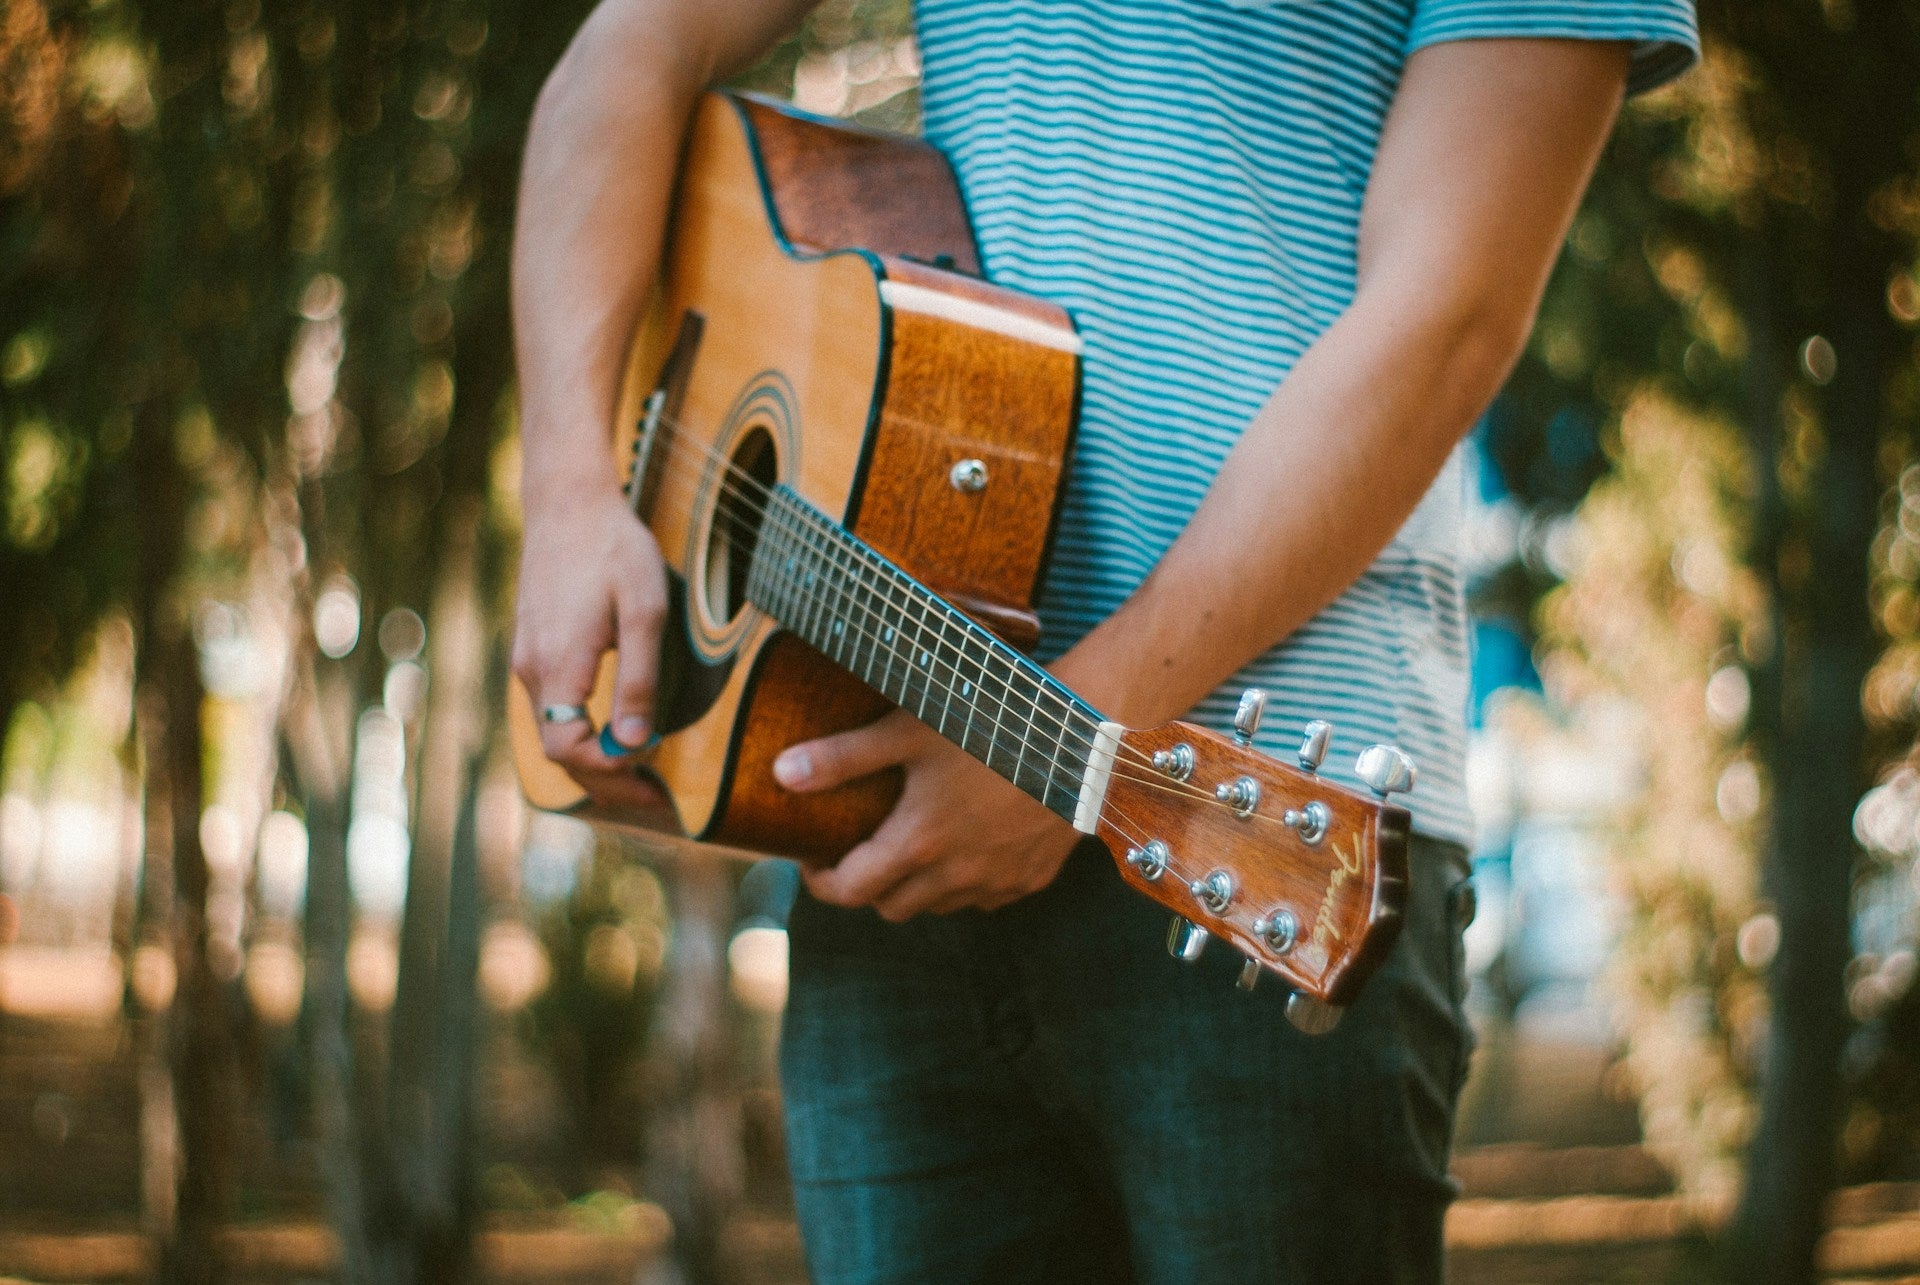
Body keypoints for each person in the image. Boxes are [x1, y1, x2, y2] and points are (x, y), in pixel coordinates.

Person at [510, 1, 1698, 1279]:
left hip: (1258, 832)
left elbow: (1451, 311)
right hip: (888, 822)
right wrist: (575, 488)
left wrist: (1076, 734)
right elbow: (623, 52)